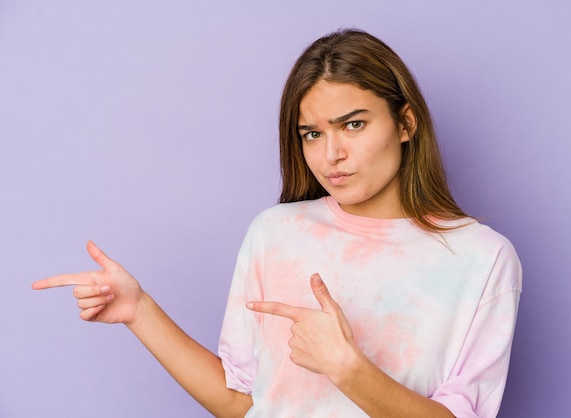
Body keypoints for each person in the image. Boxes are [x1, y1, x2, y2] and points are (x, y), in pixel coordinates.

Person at [32, 29, 522, 417]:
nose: (332, 155)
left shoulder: (481, 258)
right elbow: (243, 402)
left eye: (354, 124)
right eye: (312, 133)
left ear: (406, 124)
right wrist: (139, 311)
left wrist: (348, 369)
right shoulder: (276, 233)